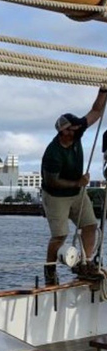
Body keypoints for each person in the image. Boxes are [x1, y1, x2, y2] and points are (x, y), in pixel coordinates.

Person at [41, 88, 107, 285]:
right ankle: (50, 270)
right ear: (62, 132)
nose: (75, 131)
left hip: (77, 192)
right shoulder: (53, 153)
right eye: (70, 129)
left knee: (90, 225)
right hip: (55, 196)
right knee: (60, 235)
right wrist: (77, 182)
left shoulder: (77, 133)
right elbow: (52, 181)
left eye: (76, 128)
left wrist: (103, 91)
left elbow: (95, 111)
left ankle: (85, 263)